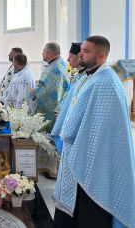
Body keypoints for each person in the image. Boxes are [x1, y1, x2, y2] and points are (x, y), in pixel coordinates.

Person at [51, 36, 135, 228]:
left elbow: (104, 130)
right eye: (81, 49)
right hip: (77, 151)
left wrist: (72, 137)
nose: (80, 53)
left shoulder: (106, 83)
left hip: (94, 159)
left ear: (101, 56)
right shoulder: (88, 76)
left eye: (86, 51)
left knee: (89, 213)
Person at [31, 42, 69, 131]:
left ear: (49, 53)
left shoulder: (56, 68)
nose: (42, 53)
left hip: (53, 114)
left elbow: (52, 92)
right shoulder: (55, 64)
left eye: (43, 51)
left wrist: (36, 92)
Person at [55, 42, 86, 114]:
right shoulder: (78, 75)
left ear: (79, 58)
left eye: (70, 57)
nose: (68, 59)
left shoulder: (86, 77)